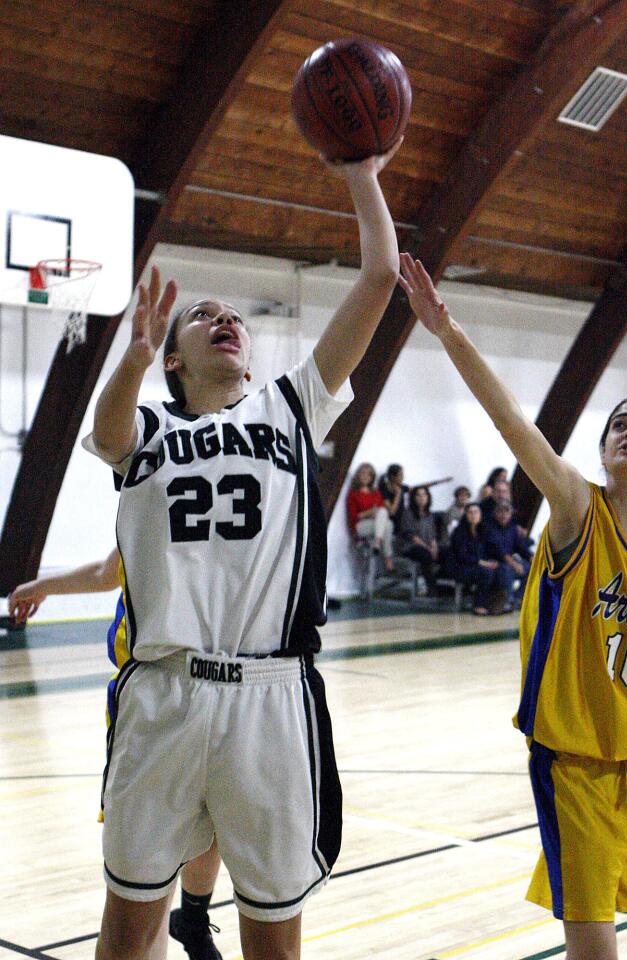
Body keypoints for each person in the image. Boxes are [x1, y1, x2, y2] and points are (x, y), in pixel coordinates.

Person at [397, 253, 627, 960]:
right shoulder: (576, 511)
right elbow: (511, 422)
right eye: (617, 425)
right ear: (603, 452)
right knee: (592, 948)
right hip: (574, 768)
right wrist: (446, 333)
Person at [84, 142, 401, 960]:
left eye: (233, 317)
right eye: (202, 315)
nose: (223, 319)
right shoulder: (150, 427)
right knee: (126, 935)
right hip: (162, 689)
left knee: (273, 942)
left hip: (270, 696)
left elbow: (377, 278)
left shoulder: (290, 408)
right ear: (176, 360)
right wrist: (130, 359)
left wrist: (361, 176)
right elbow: (107, 434)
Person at [9, 551, 225, 960]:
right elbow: (107, 571)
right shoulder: (147, 498)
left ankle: (193, 919)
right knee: (148, 883)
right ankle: (176, 926)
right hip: (146, 705)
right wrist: (43, 586)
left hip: (217, 694)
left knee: (211, 828)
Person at [447, 502, 502, 615]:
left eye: (476, 512)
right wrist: (482, 563)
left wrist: (492, 561)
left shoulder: (484, 530)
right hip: (461, 567)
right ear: (465, 515)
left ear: (480, 515)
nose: (473, 515)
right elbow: (462, 556)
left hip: (479, 566)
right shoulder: (459, 532)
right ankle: (479, 604)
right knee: (486, 573)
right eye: (470, 512)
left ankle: (497, 603)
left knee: (501, 570)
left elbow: (491, 549)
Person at [483, 500, 533, 612]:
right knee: (507, 570)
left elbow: (521, 547)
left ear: (511, 514)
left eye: (507, 512)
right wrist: (514, 564)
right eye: (500, 511)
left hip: (510, 560)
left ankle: (518, 599)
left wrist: (533, 558)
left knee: (531, 568)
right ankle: (507, 601)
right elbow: (499, 551)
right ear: (495, 514)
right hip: (494, 562)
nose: (503, 515)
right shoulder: (489, 528)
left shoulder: (513, 529)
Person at [346, 462, 394, 571]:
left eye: (369, 475)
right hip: (360, 526)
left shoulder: (376, 493)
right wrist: (368, 513)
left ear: (372, 477)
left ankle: (377, 543)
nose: (365, 477)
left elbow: (383, 512)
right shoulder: (353, 494)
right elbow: (353, 517)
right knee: (388, 524)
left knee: (387, 521)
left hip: (376, 524)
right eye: (363, 473)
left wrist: (376, 513)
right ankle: (388, 557)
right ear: (358, 475)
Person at [399, 485, 439, 594]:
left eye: (424, 495)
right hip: (411, 548)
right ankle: (431, 588)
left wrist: (434, 547)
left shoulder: (429, 514)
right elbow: (411, 536)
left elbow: (433, 536)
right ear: (413, 498)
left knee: (444, 553)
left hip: (427, 547)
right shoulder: (408, 513)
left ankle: (443, 587)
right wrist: (428, 549)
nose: (421, 497)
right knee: (426, 554)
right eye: (418, 495)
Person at [378, 463, 408, 529]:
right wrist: (398, 494)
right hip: (393, 523)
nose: (403, 477)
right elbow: (391, 512)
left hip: (403, 519)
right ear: (392, 477)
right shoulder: (384, 490)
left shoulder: (400, 486)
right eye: (400, 475)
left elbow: (414, 489)